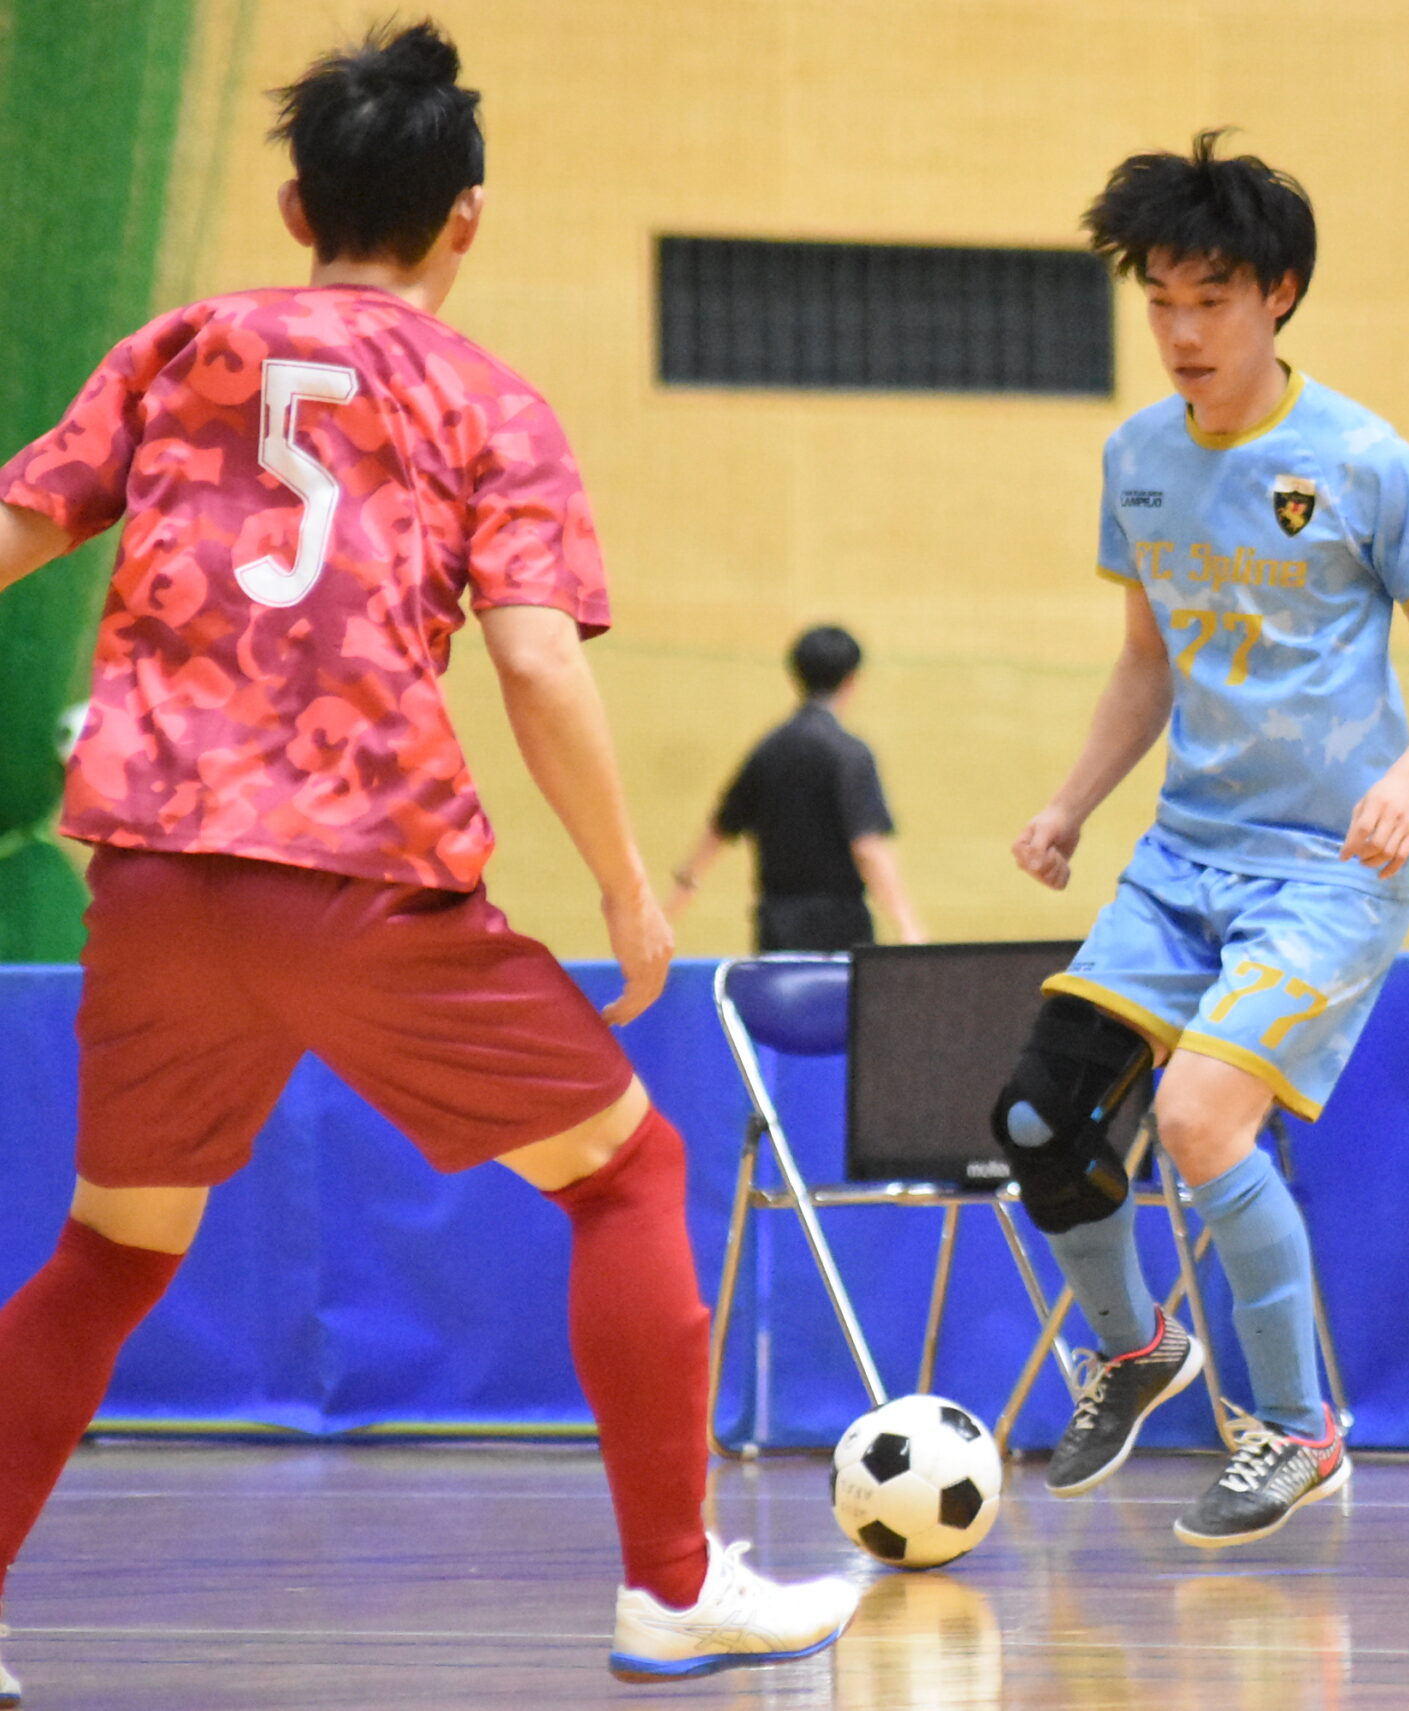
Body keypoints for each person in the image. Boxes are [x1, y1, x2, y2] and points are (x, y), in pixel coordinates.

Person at [0, 23, 856, 1697]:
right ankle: (675, 1585)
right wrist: (626, 882)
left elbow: (20, 523)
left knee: (109, 1254)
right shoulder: (489, 402)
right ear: (469, 214)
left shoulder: (178, 344)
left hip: (155, 875)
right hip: (359, 875)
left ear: (294, 203)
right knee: (630, 1176)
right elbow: (536, 660)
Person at [986, 131, 1409, 1547]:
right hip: (1181, 858)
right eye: (1158, 302)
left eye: (1208, 301)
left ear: (1278, 294)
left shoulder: (1368, 460)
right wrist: (1071, 802)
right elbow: (1146, 662)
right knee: (1039, 1120)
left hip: (1331, 868)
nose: (1180, 334)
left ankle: (1299, 1429)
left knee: (1201, 1118)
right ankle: (1138, 1348)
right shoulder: (1138, 458)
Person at [667, 624, 925, 950]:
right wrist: (906, 925)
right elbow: (867, 846)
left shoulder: (768, 749)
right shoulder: (850, 754)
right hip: (839, 926)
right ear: (851, 680)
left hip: (777, 923)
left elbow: (721, 827)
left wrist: (681, 891)